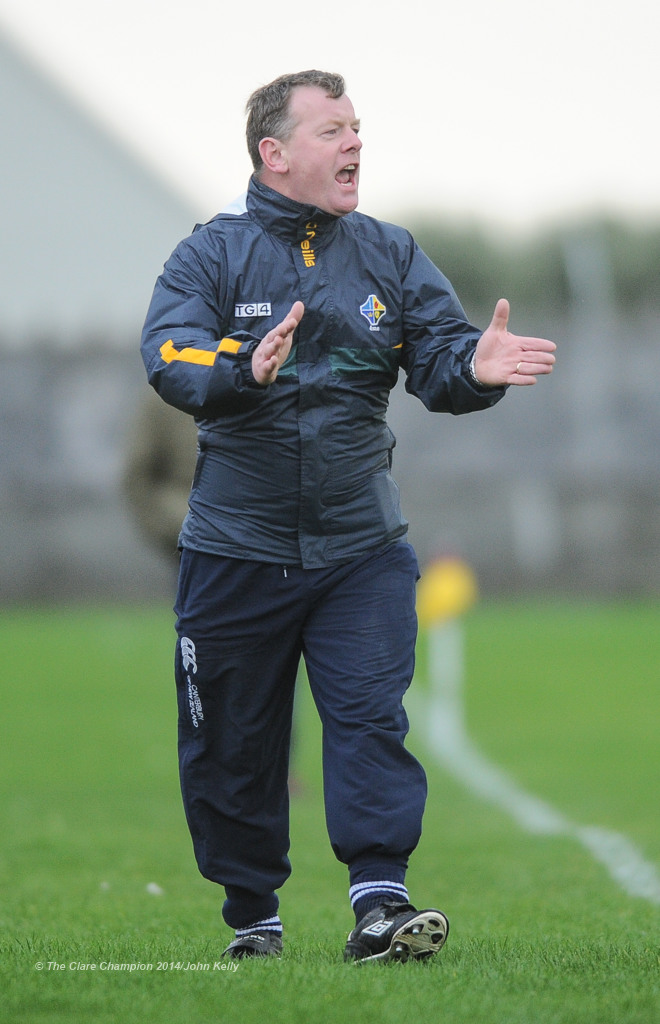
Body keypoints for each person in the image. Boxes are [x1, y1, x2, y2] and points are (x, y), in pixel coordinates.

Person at [140, 70, 556, 964]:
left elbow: (442, 357)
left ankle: (380, 904)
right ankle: (253, 916)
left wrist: (474, 369)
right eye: (332, 130)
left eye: (358, 127)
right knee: (233, 745)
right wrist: (242, 367)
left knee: (369, 718)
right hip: (235, 553)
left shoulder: (391, 253)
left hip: (361, 550)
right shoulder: (207, 256)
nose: (355, 143)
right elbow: (169, 351)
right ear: (274, 152)